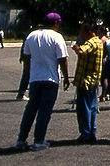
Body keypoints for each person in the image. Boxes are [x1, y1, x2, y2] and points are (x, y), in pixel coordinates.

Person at [15, 12, 70, 151]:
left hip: (35, 78)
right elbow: (63, 59)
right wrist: (66, 78)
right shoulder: (57, 37)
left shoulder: (32, 35)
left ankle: (21, 139)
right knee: (44, 111)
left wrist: (28, 73)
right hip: (50, 78)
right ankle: (39, 140)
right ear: (56, 23)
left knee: (30, 109)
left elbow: (26, 57)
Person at [73, 22, 103, 144]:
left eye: (82, 33)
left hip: (86, 80)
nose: (81, 35)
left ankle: (85, 133)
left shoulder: (91, 42)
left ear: (89, 32)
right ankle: (91, 132)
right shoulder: (99, 42)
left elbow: (81, 51)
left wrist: (76, 47)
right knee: (91, 108)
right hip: (94, 80)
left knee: (83, 109)